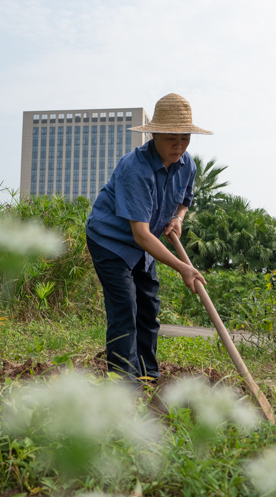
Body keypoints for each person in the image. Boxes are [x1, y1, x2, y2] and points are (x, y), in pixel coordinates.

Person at [85, 93, 210, 380]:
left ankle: (148, 374)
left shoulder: (186, 164)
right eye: (171, 139)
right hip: (111, 240)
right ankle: (123, 382)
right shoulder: (135, 169)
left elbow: (185, 199)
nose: (179, 146)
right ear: (154, 134)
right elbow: (140, 234)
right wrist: (182, 267)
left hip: (144, 245)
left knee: (148, 307)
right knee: (125, 308)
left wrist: (177, 219)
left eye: (185, 138)